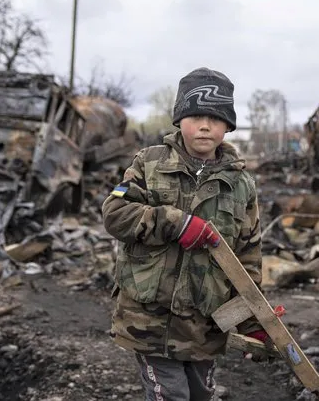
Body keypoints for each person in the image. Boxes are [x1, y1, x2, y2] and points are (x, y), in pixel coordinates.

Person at [102, 67, 268, 401]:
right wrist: (174, 223)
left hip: (203, 326)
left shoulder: (241, 186)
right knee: (171, 395)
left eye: (215, 118)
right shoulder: (148, 164)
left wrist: (253, 323)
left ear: (228, 126)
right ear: (180, 120)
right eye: (195, 116)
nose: (205, 126)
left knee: (199, 395)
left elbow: (246, 257)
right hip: (148, 320)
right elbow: (114, 214)